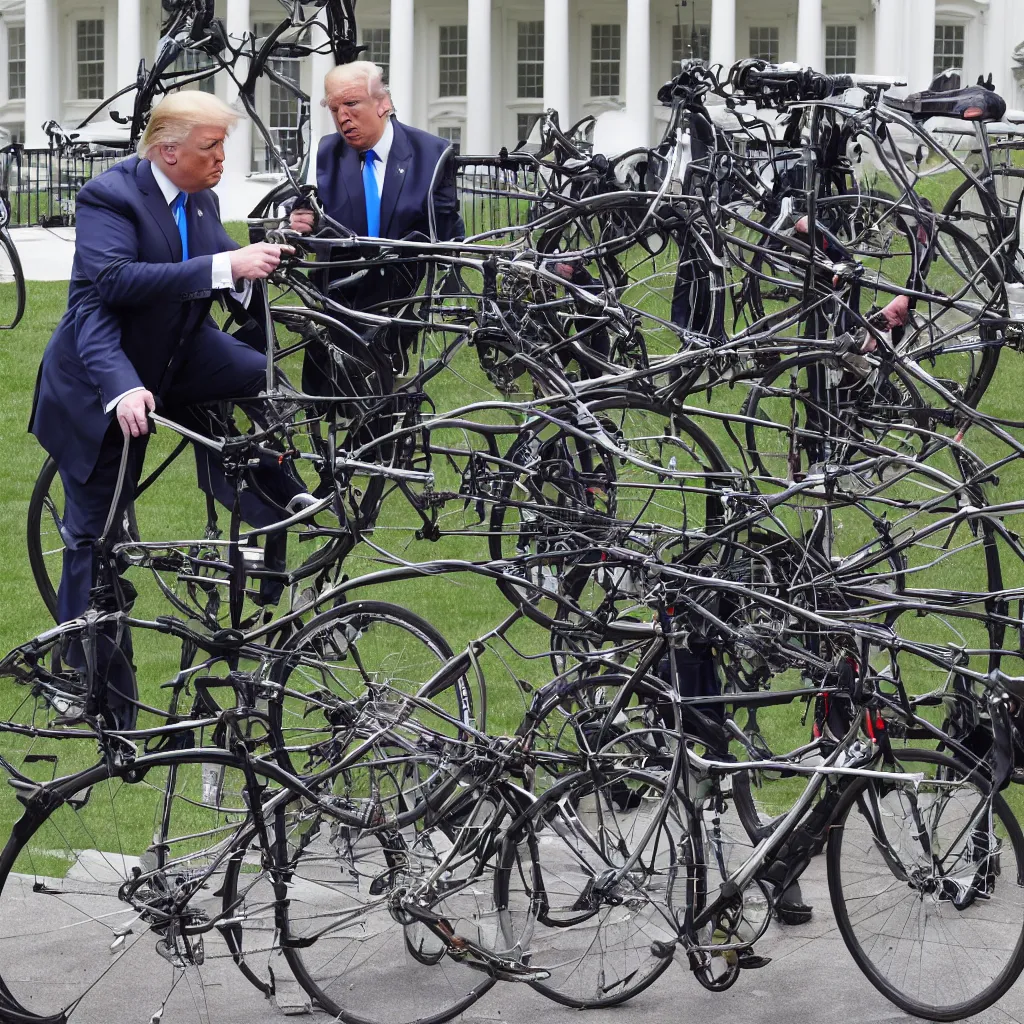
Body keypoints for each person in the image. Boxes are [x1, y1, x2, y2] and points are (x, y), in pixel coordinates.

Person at [29, 92, 307, 725]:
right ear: (168, 150)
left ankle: (269, 505)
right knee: (93, 537)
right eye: (212, 147)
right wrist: (220, 266)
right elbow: (113, 286)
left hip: (175, 357)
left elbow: (217, 266)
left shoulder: (199, 195)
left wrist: (252, 267)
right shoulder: (110, 197)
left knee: (257, 375)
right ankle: (82, 675)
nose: (221, 159)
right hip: (101, 380)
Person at [288, 61, 464, 379]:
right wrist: (302, 221)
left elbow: (449, 234)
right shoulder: (324, 153)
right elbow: (305, 209)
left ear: (383, 103)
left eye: (352, 104)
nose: (343, 117)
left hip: (402, 294)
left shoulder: (432, 154)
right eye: (334, 108)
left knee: (379, 400)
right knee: (330, 395)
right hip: (338, 294)